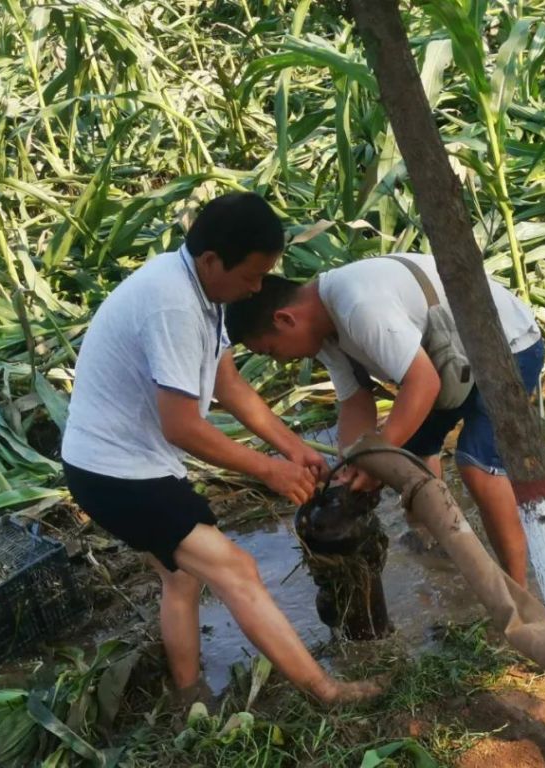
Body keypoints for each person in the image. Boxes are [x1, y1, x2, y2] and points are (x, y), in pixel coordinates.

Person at [61, 192, 381, 706]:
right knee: (237, 569)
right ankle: (326, 691)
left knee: (182, 577)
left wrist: (292, 446)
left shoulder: (201, 292)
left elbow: (229, 387)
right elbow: (182, 427)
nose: (257, 288)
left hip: (122, 462)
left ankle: (189, 697)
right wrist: (268, 470)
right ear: (212, 260)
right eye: (252, 276)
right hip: (116, 473)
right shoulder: (173, 304)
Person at [224, 253, 544, 586]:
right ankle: (439, 554)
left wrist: (377, 455)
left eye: (271, 352)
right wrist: (353, 463)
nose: (280, 362)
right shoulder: (322, 330)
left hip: (506, 345)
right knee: (413, 458)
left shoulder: (358, 306)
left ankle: (517, 591)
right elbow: (355, 402)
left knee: (477, 466)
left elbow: (424, 383)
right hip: (450, 361)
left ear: (285, 319)